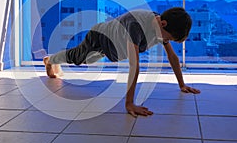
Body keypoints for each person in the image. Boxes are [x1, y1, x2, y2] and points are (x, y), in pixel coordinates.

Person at [43, 7, 201, 117]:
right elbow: (134, 65)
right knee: (78, 58)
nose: (166, 41)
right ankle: (50, 60)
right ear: (163, 23)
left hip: (111, 49)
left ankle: (55, 60)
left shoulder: (160, 26)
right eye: (168, 38)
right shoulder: (137, 26)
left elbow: (172, 57)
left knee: (90, 60)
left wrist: (182, 84)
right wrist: (129, 103)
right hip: (99, 38)